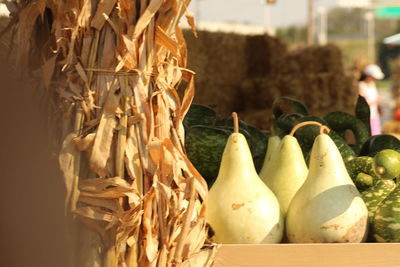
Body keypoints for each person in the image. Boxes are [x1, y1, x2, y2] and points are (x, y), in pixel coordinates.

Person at [358, 64, 385, 135]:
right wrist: (375, 102)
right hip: (365, 117)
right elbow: (361, 103)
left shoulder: (373, 85)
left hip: (374, 116)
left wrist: (379, 108)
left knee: (376, 136)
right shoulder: (361, 86)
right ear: (369, 76)